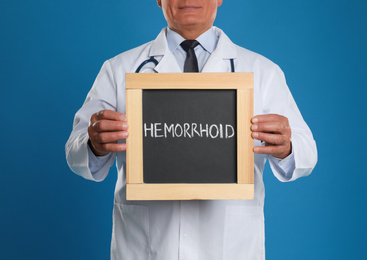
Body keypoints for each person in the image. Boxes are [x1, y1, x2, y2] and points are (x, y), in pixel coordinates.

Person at [65, 0, 317, 259]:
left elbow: (307, 154)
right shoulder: (118, 69)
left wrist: (286, 147)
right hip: (146, 248)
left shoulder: (262, 71)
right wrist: (93, 144)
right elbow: (75, 153)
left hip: (231, 249)